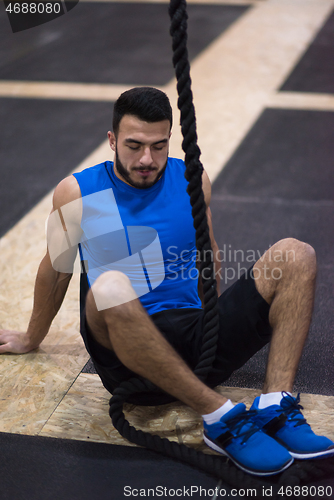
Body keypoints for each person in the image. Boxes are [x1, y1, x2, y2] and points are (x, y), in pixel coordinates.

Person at [0, 87, 333, 477]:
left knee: (297, 254)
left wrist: (215, 330)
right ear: (111, 140)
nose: (147, 159)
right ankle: (218, 417)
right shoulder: (81, 192)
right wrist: (31, 337)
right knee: (109, 284)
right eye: (134, 145)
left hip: (195, 342)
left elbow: (208, 255)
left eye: (159, 146)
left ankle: (275, 404)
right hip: (127, 357)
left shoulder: (190, 178)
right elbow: (56, 270)